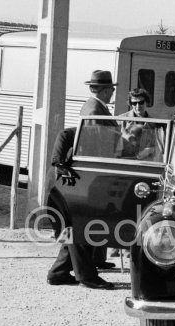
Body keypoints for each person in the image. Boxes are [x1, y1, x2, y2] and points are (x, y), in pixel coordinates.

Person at [46, 70, 118, 289]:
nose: (113, 91)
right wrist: (59, 162)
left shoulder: (95, 107)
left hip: (84, 174)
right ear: (105, 90)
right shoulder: (95, 110)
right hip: (86, 175)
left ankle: (58, 272)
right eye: (111, 88)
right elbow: (67, 135)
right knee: (84, 225)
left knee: (81, 224)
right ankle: (86, 276)